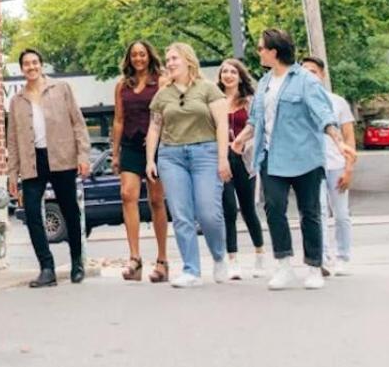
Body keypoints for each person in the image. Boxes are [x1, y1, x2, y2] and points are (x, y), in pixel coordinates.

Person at [235, 28, 356, 291]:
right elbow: (256, 120)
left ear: (273, 52)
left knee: (310, 212)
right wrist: (241, 138)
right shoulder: (265, 82)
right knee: (274, 209)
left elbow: (324, 115)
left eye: (260, 48)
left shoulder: (305, 81)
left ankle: (314, 266)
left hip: (305, 158)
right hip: (272, 157)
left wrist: (339, 141)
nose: (258, 53)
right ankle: (284, 265)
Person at [145, 42, 232, 287]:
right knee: (181, 215)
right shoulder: (162, 95)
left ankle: (218, 257)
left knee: (208, 213)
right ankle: (191, 269)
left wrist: (223, 158)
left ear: (188, 61)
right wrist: (150, 159)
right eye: (167, 59)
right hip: (171, 156)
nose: (169, 63)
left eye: (174, 58)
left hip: (205, 152)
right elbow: (154, 127)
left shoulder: (209, 89)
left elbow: (222, 125)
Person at [6, 48, 92, 288]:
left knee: (69, 210)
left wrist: (83, 155)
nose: (31, 67)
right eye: (26, 64)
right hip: (32, 161)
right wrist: (12, 173)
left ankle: (77, 262)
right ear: (22, 69)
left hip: (62, 157)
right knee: (32, 212)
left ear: (41, 65)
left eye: (34, 62)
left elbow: (78, 123)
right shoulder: (17, 100)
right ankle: (47, 268)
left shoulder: (61, 89)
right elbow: (12, 139)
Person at [110, 39, 172, 283]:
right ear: (129, 58)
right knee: (127, 195)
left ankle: (162, 260)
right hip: (130, 146)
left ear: (149, 56)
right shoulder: (122, 85)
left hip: (155, 147)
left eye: (142, 54)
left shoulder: (162, 81)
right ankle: (134, 259)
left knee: (156, 200)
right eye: (134, 55)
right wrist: (115, 153)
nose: (138, 59)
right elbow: (118, 119)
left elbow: (167, 113)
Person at [301, 55, 356, 277]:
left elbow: (349, 137)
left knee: (341, 213)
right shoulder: (300, 103)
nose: (309, 75)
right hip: (313, 164)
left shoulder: (337, 102)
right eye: (304, 71)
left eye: (313, 71)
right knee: (318, 212)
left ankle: (343, 256)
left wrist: (349, 168)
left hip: (336, 164)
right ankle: (322, 257)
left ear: (322, 75)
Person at [216, 58, 266, 279]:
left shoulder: (250, 101)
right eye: (224, 72)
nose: (228, 75)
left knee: (247, 209)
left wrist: (244, 144)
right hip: (222, 158)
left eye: (232, 72)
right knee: (227, 210)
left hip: (243, 158)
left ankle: (259, 254)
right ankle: (233, 260)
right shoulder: (215, 100)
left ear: (240, 76)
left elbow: (257, 128)